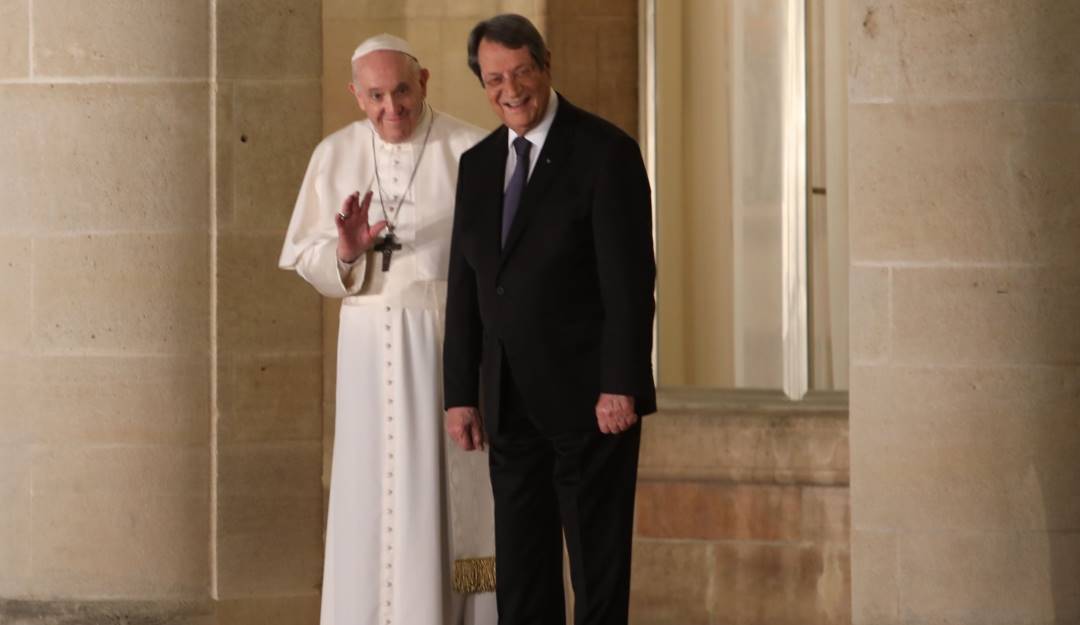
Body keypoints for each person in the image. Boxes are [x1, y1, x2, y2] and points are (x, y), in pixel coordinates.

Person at [443, 14, 657, 625]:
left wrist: (621, 382)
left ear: (544, 66)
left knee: (596, 573)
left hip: (592, 404)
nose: (509, 89)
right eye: (493, 79)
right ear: (482, 84)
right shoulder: (478, 164)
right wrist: (461, 392)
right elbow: (468, 287)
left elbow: (630, 282)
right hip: (508, 407)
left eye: (520, 72)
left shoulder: (605, 152)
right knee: (521, 575)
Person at [279, 34, 496, 625]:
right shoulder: (334, 153)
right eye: (375, 95)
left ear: (423, 80)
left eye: (401, 90)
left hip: (447, 344)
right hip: (367, 352)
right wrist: (346, 251)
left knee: (442, 492)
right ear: (356, 95)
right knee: (369, 494)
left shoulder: (472, 149)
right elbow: (308, 258)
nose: (391, 108)